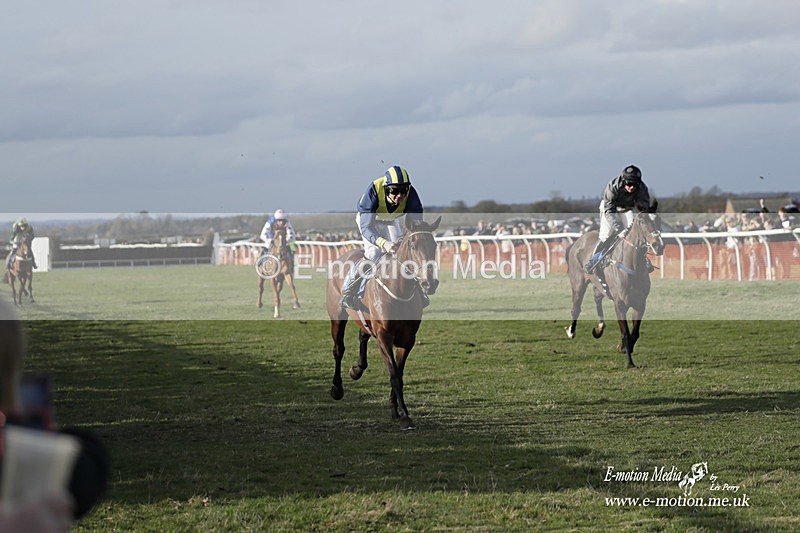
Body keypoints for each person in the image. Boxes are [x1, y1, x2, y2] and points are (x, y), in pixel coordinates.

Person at [339, 165, 424, 310]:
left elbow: (416, 224)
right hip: (369, 221)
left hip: (390, 220)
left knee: (402, 253)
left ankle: (418, 290)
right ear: (386, 188)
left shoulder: (411, 194)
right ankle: (349, 290)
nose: (399, 195)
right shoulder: (373, 190)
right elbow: (367, 227)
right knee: (373, 254)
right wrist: (383, 243)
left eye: (403, 190)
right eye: (394, 191)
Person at [583, 165, 653, 274]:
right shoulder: (612, 187)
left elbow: (644, 209)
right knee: (606, 235)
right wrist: (618, 228)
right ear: (624, 181)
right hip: (610, 209)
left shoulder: (642, 188)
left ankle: (644, 260)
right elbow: (609, 211)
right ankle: (593, 261)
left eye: (635, 184)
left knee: (638, 233)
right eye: (629, 184)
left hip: (627, 208)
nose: (632, 187)